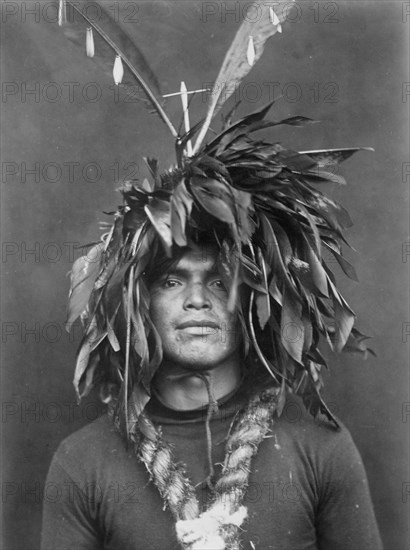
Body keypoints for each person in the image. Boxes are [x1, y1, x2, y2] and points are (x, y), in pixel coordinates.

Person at [42, 1, 383, 548]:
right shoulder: (83, 464)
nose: (197, 298)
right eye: (172, 281)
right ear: (138, 301)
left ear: (254, 298)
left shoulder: (319, 448)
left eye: (220, 280)